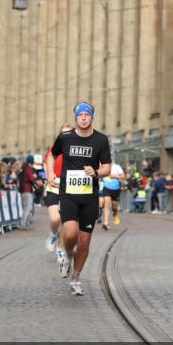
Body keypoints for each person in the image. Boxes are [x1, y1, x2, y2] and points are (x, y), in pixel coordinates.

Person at [51, 103, 111, 295]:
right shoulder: (65, 137)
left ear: (92, 117)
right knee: (70, 234)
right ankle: (68, 255)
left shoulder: (101, 140)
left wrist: (97, 172)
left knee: (84, 242)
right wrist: (51, 173)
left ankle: (75, 279)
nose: (83, 118)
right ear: (76, 118)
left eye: (87, 115)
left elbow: (107, 167)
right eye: (80, 115)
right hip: (68, 194)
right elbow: (52, 155)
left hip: (90, 197)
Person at [43, 125, 71, 259]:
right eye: (63, 133)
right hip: (54, 185)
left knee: (66, 222)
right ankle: (54, 233)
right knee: (55, 218)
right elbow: (47, 162)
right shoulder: (54, 149)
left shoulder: (75, 149)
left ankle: (60, 249)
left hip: (70, 188)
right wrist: (49, 174)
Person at [100, 156, 126, 228]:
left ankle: (115, 214)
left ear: (112, 160)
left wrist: (114, 176)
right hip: (106, 188)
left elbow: (123, 176)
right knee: (107, 204)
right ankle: (106, 222)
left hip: (115, 189)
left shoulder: (117, 167)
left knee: (115, 206)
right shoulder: (103, 166)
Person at [18, 155, 37, 229]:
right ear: (31, 162)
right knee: (28, 208)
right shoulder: (28, 168)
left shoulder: (23, 168)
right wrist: (34, 176)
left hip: (23, 190)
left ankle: (26, 224)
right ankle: (23, 224)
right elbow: (31, 179)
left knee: (27, 207)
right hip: (27, 190)